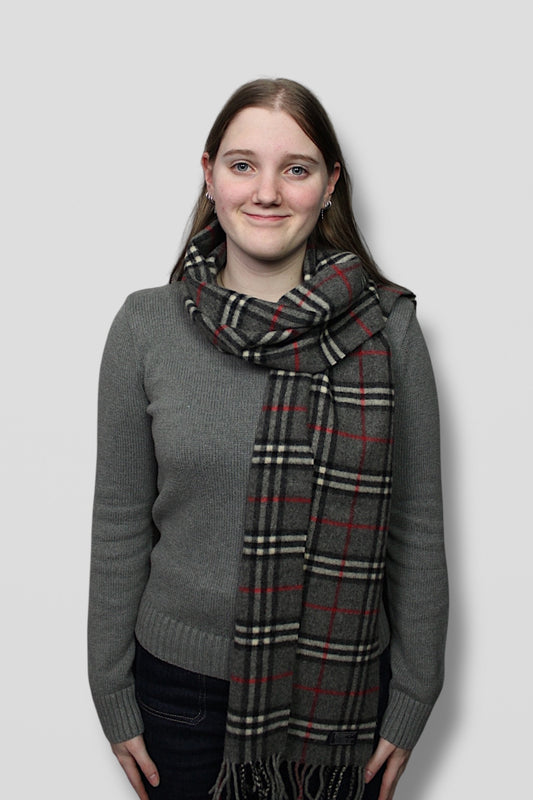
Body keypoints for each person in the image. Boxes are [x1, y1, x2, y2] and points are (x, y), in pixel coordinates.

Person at [88, 78, 448, 800]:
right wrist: (110, 690)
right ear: (209, 174)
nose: (267, 193)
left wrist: (414, 697)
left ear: (329, 184)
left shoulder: (388, 331)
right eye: (243, 164)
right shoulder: (144, 326)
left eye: (296, 168)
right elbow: (120, 521)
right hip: (178, 696)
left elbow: (415, 529)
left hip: (341, 697)